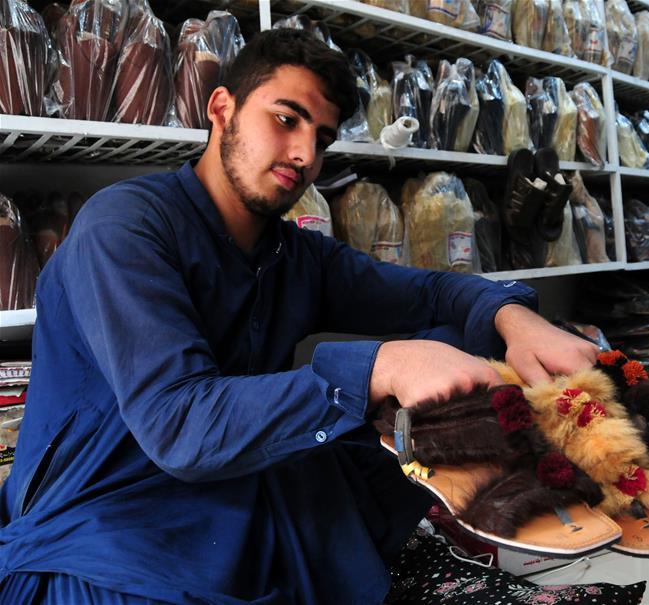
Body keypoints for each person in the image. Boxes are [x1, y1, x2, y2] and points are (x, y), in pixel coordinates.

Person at [0, 29, 599, 604]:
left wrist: (517, 320)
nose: (304, 154)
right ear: (222, 108)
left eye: (323, 137)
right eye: (285, 119)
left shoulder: (293, 254)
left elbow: (435, 293)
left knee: (447, 348)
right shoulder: (126, 226)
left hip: (230, 492)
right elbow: (179, 425)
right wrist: (380, 366)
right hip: (106, 524)